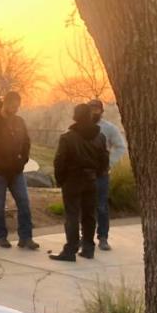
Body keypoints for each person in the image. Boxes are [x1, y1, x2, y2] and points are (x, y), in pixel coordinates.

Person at [0, 91, 39, 250]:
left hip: (16, 171)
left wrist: (23, 160)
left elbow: (26, 142)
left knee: (24, 202)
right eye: (13, 105)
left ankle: (26, 238)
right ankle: (1, 236)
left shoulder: (19, 122)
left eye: (17, 106)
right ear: (5, 103)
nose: (15, 108)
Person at [49, 104, 109, 262]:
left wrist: (60, 180)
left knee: (72, 215)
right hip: (91, 180)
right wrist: (97, 174)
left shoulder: (67, 138)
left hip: (72, 180)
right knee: (89, 215)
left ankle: (70, 250)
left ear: (75, 116)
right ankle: (89, 248)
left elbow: (59, 161)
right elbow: (104, 160)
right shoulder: (100, 137)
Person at [87, 99, 128, 251]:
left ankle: (103, 237)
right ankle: (85, 237)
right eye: (91, 109)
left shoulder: (109, 128)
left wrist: (108, 163)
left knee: (101, 206)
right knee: (84, 206)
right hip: (84, 173)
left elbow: (120, 146)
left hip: (101, 174)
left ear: (101, 111)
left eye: (96, 110)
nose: (93, 112)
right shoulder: (81, 128)